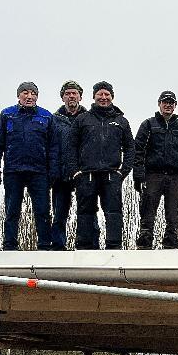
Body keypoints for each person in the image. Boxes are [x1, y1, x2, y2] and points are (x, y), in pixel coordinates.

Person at [65, 81, 135, 249]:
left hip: (112, 175)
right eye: (100, 94)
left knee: (114, 213)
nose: (103, 98)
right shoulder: (83, 119)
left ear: (112, 97)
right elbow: (71, 147)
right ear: (94, 96)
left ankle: (114, 247)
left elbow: (130, 148)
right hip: (86, 175)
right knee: (85, 213)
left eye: (107, 95)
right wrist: (75, 172)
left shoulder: (121, 121)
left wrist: (122, 172)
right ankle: (84, 248)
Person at [0, 81, 56, 250]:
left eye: (33, 93)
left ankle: (44, 245)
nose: (29, 96)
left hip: (39, 172)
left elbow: (53, 147)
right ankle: (9, 245)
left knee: (42, 211)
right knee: (12, 210)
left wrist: (53, 171)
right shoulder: (7, 115)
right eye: (25, 93)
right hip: (13, 171)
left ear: (37, 96)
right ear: (19, 95)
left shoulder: (46, 116)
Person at [133, 91, 178, 249]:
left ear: (175, 105)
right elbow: (138, 151)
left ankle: (171, 242)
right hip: (152, 175)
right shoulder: (148, 124)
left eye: (171, 102)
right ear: (159, 104)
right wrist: (138, 177)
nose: (168, 104)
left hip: (175, 177)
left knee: (173, 214)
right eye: (165, 101)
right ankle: (145, 242)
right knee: (147, 211)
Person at [51, 80, 98, 250]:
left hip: (85, 172)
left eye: (74, 93)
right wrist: (53, 171)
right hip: (62, 173)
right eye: (68, 93)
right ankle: (57, 246)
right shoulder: (53, 119)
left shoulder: (90, 117)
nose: (71, 96)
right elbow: (51, 147)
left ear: (80, 96)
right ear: (63, 97)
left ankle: (91, 245)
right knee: (60, 212)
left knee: (88, 212)